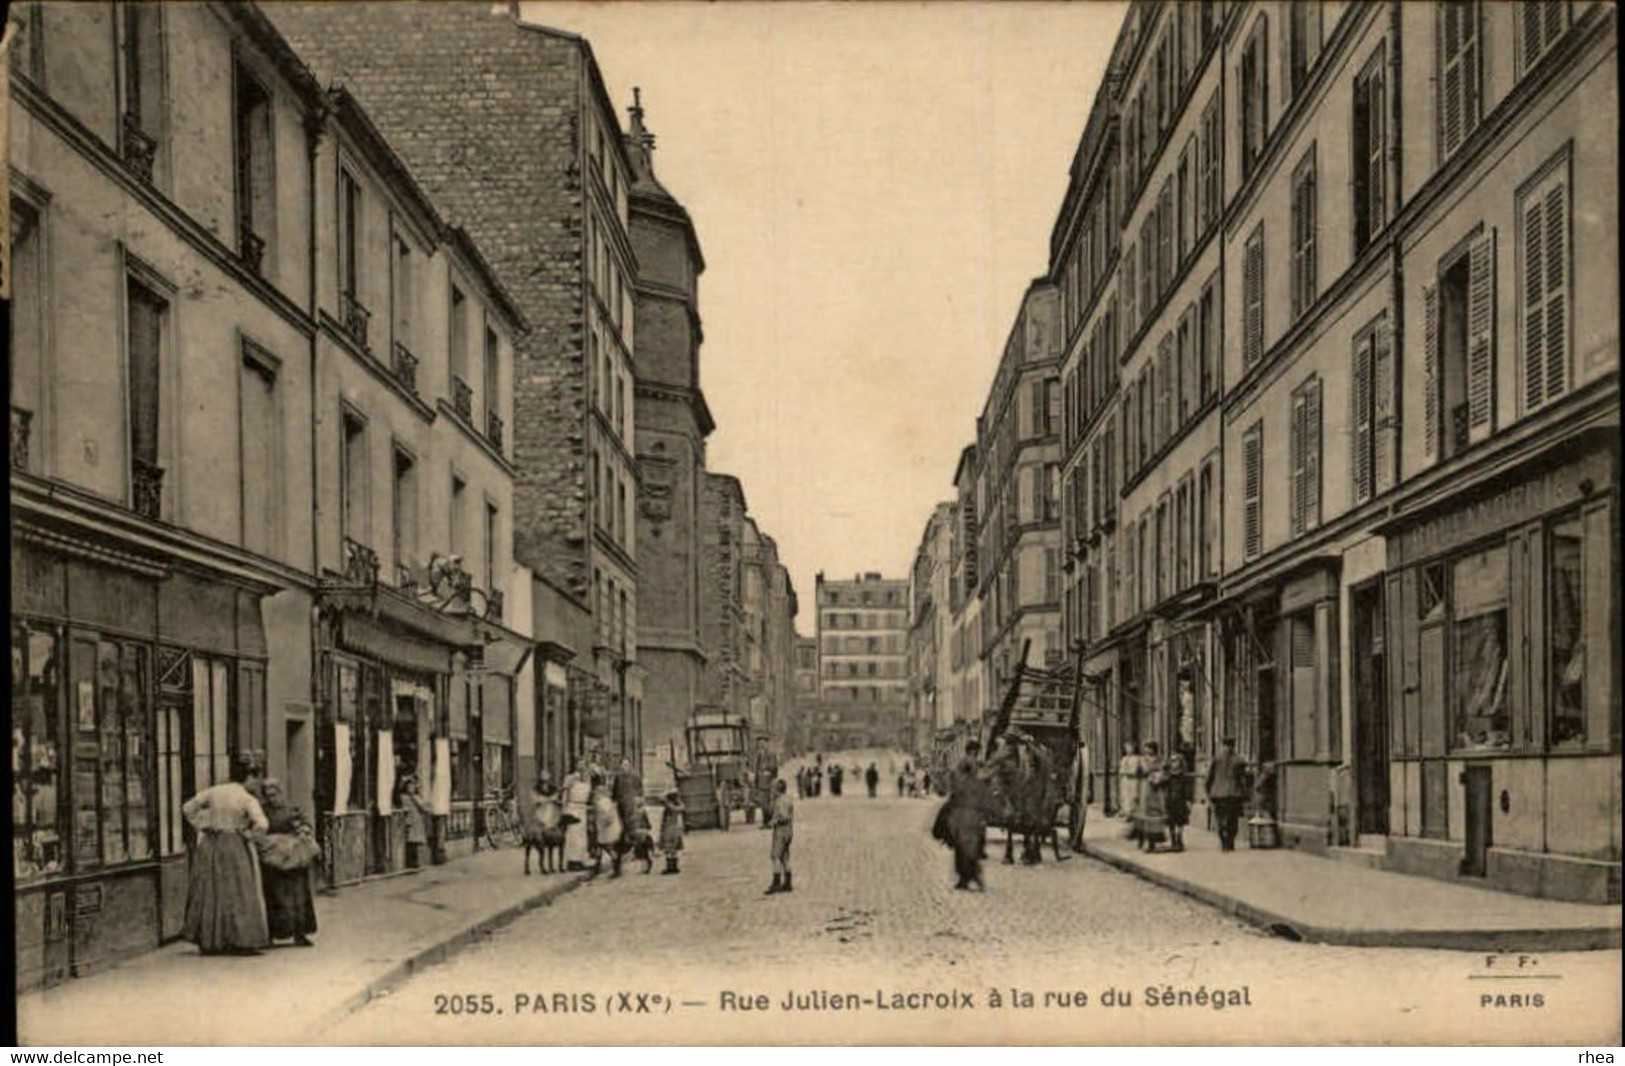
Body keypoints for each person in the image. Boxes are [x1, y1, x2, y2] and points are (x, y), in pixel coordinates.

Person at [181, 758, 270, 955]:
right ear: (248, 777)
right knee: (239, 891)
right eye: (254, 778)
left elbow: (187, 808)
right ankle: (239, 939)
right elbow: (263, 824)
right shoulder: (246, 798)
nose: (256, 783)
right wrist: (250, 835)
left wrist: (202, 825)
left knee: (211, 890)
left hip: (211, 843)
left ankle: (210, 939)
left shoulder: (214, 791)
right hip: (234, 844)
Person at [255, 778, 318, 946]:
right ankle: (272, 934)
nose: (272, 798)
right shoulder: (261, 812)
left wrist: (303, 831)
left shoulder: (291, 809)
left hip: (292, 858)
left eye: (274, 793)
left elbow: (304, 824)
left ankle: (299, 933)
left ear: (280, 792)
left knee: (298, 898)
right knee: (273, 898)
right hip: (272, 860)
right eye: (268, 794)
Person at [934, 743, 996, 890]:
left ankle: (968, 876)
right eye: (975, 752)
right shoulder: (975, 768)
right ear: (973, 751)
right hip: (968, 811)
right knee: (968, 845)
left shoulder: (964, 768)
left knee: (963, 845)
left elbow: (950, 787)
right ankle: (969, 876)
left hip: (964, 811)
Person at [1205, 737, 1248, 852]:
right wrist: (1244, 793)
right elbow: (1243, 778)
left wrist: (1209, 791)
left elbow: (1208, 778)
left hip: (1218, 795)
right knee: (1233, 820)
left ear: (1223, 745)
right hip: (1234, 794)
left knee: (1220, 819)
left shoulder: (1216, 759)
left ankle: (1223, 841)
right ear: (1233, 745)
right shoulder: (1239, 760)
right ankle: (1230, 842)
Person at [1137, 742, 1170, 852]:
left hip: (1156, 790)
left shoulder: (1160, 760)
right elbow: (1139, 773)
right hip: (1146, 788)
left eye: (1149, 749)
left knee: (1156, 814)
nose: (1147, 751)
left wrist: (1159, 777)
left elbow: (1165, 773)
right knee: (1146, 814)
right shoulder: (1142, 760)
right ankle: (1145, 840)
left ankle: (1154, 841)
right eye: (1146, 749)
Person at [764, 778, 795, 894]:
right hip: (788, 831)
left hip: (781, 831)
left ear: (777, 790)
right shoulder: (787, 799)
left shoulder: (780, 801)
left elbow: (783, 816)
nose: (771, 791)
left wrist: (773, 822)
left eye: (772, 789)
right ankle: (788, 883)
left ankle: (776, 883)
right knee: (784, 857)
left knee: (775, 857)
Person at [561, 759, 592, 870]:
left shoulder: (587, 779)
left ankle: (580, 860)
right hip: (572, 807)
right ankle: (572, 861)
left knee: (582, 836)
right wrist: (564, 808)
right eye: (579, 764)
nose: (581, 767)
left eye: (584, 764)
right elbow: (565, 794)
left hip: (583, 808)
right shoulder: (570, 778)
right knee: (573, 835)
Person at [1164, 752, 1191, 852]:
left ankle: (1179, 838)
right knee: (1171, 821)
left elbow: (1187, 789)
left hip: (1180, 801)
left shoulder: (1183, 776)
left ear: (1180, 762)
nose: (1173, 763)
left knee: (1180, 821)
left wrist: (1188, 800)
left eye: (1175, 761)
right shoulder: (1168, 775)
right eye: (1172, 761)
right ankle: (1173, 839)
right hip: (1170, 800)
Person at [1118, 741, 1147, 836]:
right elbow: (1121, 770)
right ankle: (1127, 814)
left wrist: (1139, 772)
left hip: (1134, 779)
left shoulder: (1138, 758)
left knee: (1134, 797)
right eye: (1126, 748)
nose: (1128, 750)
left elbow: (1143, 769)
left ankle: (1133, 815)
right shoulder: (1124, 759)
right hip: (1125, 779)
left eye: (1130, 747)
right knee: (1125, 797)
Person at [751, 738, 779, 828]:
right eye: (760, 743)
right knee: (763, 804)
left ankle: (770, 822)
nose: (761, 744)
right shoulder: (759, 755)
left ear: (767, 743)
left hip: (768, 782)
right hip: (761, 783)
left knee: (769, 803)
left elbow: (774, 767)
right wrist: (756, 780)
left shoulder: (771, 754)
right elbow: (756, 768)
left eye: (763, 742)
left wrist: (765, 769)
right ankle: (765, 822)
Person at [659, 790, 685, 874]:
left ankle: (670, 867)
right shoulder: (678, 808)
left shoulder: (670, 808)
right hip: (676, 829)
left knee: (669, 849)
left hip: (668, 829)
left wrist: (666, 800)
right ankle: (674, 866)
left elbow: (662, 800)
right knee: (674, 850)